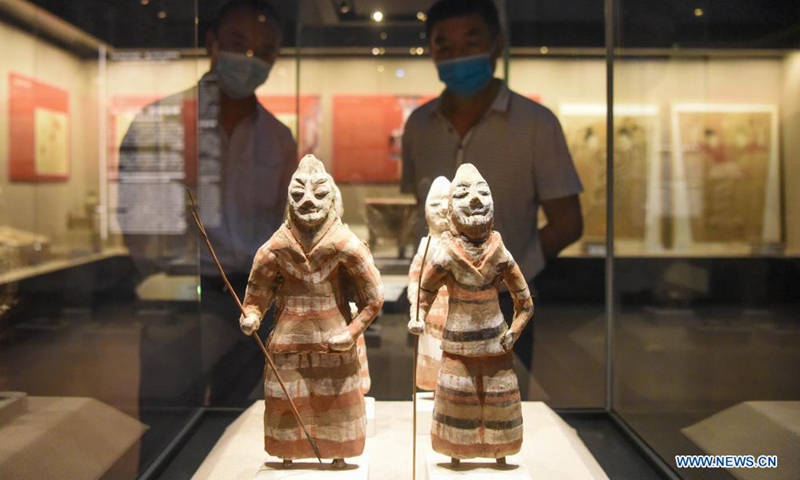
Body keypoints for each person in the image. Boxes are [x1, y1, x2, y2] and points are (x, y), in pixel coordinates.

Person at [400, 0, 583, 371]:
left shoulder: (536, 124)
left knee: (501, 403)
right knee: (432, 399)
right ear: (431, 53)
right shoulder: (418, 125)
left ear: (496, 44)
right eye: (444, 46)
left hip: (502, 299)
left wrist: (506, 274)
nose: (457, 55)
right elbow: (416, 210)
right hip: (432, 296)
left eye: (470, 42)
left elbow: (568, 223)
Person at [118, 0, 296, 291]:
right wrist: (160, 285)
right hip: (180, 292)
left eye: (264, 52)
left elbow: (285, 221)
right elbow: (138, 222)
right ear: (212, 41)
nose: (250, 58)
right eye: (238, 44)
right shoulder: (158, 124)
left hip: (258, 292)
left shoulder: (279, 138)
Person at [239, 155, 383, 467]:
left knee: (337, 405)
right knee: (290, 406)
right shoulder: (276, 246)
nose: (308, 201)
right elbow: (258, 291)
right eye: (299, 193)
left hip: (335, 340)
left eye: (319, 193)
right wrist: (251, 314)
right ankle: (289, 454)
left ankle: (338, 454)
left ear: (332, 198)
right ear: (289, 200)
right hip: (287, 342)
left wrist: (351, 332)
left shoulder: (346, 244)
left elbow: (373, 299)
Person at [408, 163, 533, 464]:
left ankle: (499, 450)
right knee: (456, 406)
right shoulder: (446, 253)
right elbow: (424, 291)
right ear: (452, 210)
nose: (475, 200)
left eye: (483, 192)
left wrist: (513, 332)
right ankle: (457, 452)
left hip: (495, 346)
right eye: (463, 194)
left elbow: (525, 303)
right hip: (457, 347)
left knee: (498, 404)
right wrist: (418, 316)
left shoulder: (500, 252)